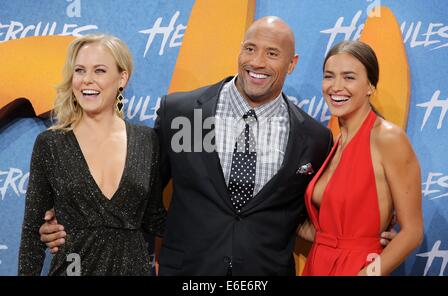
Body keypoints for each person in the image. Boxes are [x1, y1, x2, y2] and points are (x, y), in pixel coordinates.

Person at [38, 17, 394, 275]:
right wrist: (71, 221)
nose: (257, 62)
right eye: (250, 49)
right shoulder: (183, 113)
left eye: (272, 53)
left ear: (292, 63)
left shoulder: (314, 138)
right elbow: (139, 194)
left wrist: (364, 237)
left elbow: (309, 215)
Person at [18, 34, 166, 276]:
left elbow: (154, 218)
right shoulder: (51, 144)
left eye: (99, 71)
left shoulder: (146, 140)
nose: (87, 80)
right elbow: (32, 234)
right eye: (79, 70)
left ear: (122, 78)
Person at [301, 41, 423, 276]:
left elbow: (412, 232)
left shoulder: (388, 138)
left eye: (349, 77)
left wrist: (368, 274)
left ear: (370, 86)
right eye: (329, 76)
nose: (336, 87)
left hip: (358, 267)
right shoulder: (333, 142)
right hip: (318, 264)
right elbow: (327, 229)